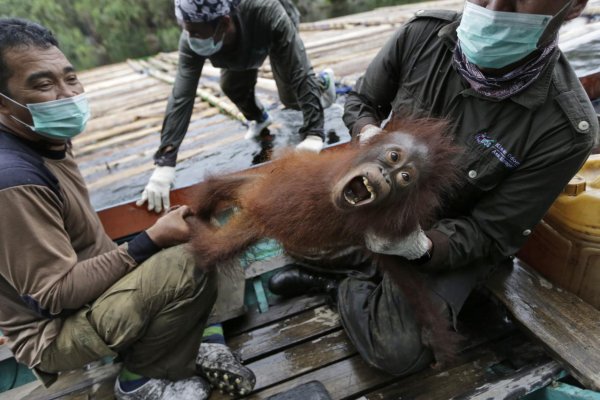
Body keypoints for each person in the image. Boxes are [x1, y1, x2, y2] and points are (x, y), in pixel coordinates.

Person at [269, 0, 598, 376]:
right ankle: (358, 265)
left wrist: (422, 248)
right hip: (385, 201)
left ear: (573, 7)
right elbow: (361, 101)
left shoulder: (564, 129)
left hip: (451, 239)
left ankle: (341, 287)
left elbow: (491, 233)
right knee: (292, 234)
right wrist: (368, 133)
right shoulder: (422, 33)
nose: (494, 7)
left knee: (397, 350)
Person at [0, 18, 254, 399]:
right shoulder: (13, 180)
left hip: (95, 295)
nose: (66, 94)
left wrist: (155, 240)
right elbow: (54, 295)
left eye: (70, 78)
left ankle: (205, 339)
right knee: (188, 259)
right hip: (56, 331)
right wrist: (148, 241)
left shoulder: (47, 138)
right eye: (43, 84)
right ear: (4, 104)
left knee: (210, 229)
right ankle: (139, 381)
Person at [137, 0, 337, 213]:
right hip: (232, 44)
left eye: (196, 33)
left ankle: (322, 82)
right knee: (231, 86)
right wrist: (165, 160)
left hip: (267, 30)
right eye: (187, 31)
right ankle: (260, 118)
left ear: (223, 23)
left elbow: (299, 71)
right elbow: (182, 95)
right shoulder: (193, 37)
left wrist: (314, 133)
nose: (191, 39)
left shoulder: (266, 10)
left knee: (290, 97)